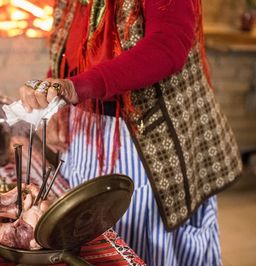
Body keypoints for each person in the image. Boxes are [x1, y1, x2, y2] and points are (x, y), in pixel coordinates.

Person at [18, 0, 242, 265]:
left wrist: (75, 88)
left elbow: (167, 46)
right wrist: (56, 99)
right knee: (86, 240)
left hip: (147, 141)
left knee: (137, 243)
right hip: (86, 134)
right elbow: (72, 46)